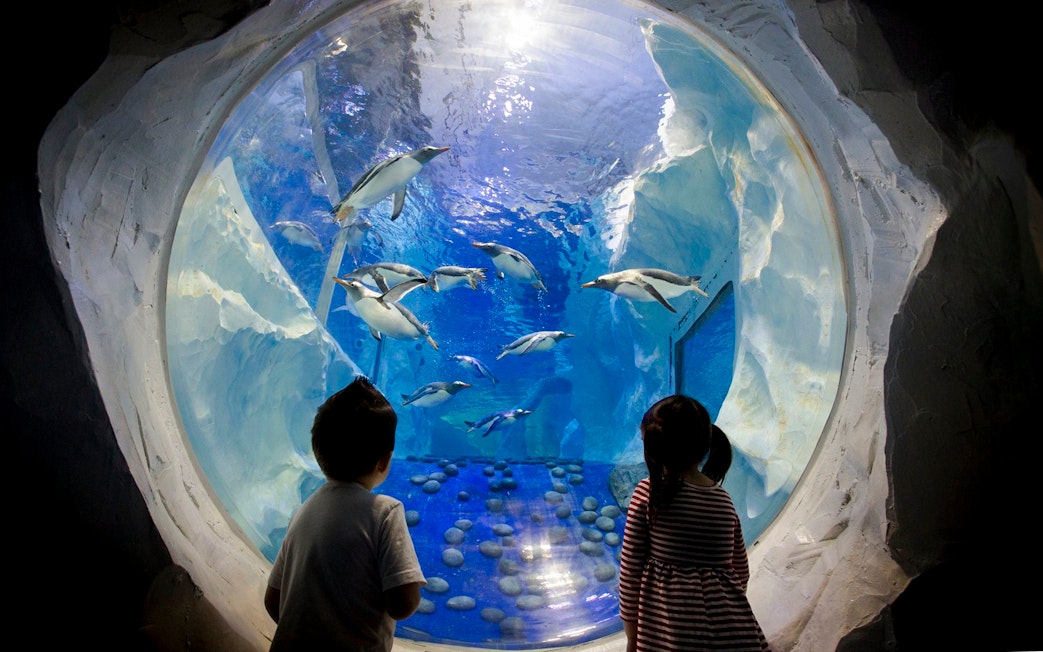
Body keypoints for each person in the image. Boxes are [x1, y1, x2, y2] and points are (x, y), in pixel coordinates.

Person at [264, 376, 426, 651]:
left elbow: (272, 601)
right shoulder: (385, 512)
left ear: (318, 451)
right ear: (384, 461)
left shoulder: (303, 513)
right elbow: (403, 603)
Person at [618, 394, 771, 651]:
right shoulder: (723, 499)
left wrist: (633, 639)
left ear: (652, 447)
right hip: (737, 634)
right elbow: (740, 572)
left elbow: (630, 575)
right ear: (706, 442)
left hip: (672, 636)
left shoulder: (649, 494)